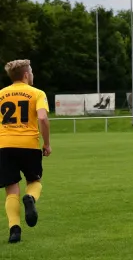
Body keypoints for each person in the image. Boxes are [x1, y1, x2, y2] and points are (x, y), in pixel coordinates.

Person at [0, 60, 51, 244]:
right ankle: (30, 198)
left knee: (11, 189)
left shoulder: (1, 94)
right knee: (34, 181)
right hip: (29, 144)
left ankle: (15, 231)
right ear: (26, 75)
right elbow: (43, 118)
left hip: (5, 145)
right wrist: (47, 144)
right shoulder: (37, 93)